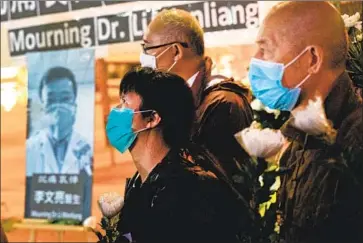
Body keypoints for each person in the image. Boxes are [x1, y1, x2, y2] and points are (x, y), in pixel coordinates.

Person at [249, 2, 363, 242]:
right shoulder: (302, 137)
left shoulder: (355, 142)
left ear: (312, 59)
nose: (256, 60)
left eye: (266, 49)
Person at [107, 68, 247, 242]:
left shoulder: (192, 190)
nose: (115, 112)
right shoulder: (140, 183)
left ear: (152, 118)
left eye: (125, 104)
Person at [140, 8, 255, 207]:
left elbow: (219, 191)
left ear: (175, 51)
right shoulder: (183, 98)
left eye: (147, 48)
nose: (143, 58)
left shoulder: (222, 104)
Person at [25, 66, 92, 218]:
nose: (59, 106)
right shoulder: (30, 149)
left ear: (75, 104)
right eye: (51, 100)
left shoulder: (88, 149)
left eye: (65, 98)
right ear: (43, 106)